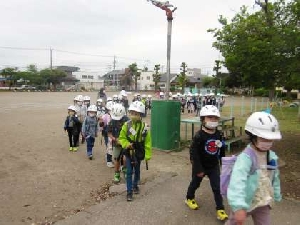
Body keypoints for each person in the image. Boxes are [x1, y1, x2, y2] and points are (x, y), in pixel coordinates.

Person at [226, 111, 282, 225]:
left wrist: (276, 195)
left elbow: (274, 176)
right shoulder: (246, 158)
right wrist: (238, 206)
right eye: (264, 139)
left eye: (270, 140)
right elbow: (237, 182)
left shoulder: (271, 155)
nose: (268, 142)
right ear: (252, 136)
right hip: (244, 202)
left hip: (263, 201)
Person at [185, 105, 228, 221]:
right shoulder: (199, 136)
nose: (213, 120)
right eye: (210, 117)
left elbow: (221, 149)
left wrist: (223, 162)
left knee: (217, 187)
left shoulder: (219, 134)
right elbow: (194, 153)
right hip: (201, 165)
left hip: (213, 165)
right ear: (203, 120)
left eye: (215, 118)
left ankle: (220, 209)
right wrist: (198, 169)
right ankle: (189, 197)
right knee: (195, 183)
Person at [118, 101, 152, 201]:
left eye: (136, 114)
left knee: (137, 170)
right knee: (129, 171)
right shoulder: (126, 125)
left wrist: (148, 155)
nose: (133, 115)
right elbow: (122, 137)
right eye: (132, 113)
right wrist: (126, 144)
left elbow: (147, 142)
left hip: (139, 151)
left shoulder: (145, 127)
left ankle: (135, 184)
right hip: (129, 150)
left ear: (140, 115)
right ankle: (129, 191)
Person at [107, 103, 129, 183]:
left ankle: (125, 170)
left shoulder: (127, 120)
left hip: (126, 143)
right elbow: (109, 133)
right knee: (117, 159)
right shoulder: (112, 121)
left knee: (125, 158)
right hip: (116, 144)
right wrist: (114, 139)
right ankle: (117, 174)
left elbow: (131, 131)